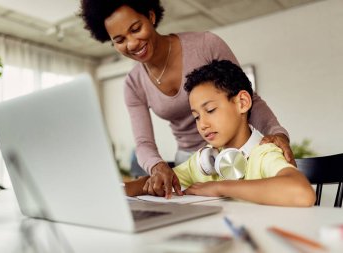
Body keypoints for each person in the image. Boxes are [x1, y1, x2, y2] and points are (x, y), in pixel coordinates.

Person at [79, 0, 295, 198]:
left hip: (233, 155)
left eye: (136, 29)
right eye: (119, 40)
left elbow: (248, 97)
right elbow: (144, 143)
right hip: (192, 164)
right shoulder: (133, 83)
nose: (132, 43)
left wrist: (277, 133)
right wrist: (156, 167)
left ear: (151, 17)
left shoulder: (205, 44)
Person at [125, 60, 315, 207]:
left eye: (210, 110)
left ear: (242, 102)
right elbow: (155, 183)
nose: (203, 124)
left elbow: (302, 193)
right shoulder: (204, 162)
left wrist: (219, 187)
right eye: (196, 117)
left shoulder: (263, 153)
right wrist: (135, 185)